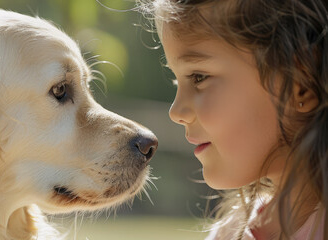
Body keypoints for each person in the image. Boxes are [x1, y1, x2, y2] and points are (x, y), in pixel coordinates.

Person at [137, 0, 327, 239]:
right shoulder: (228, 232)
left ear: (302, 84)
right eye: (177, 80)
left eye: (198, 77)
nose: (176, 112)